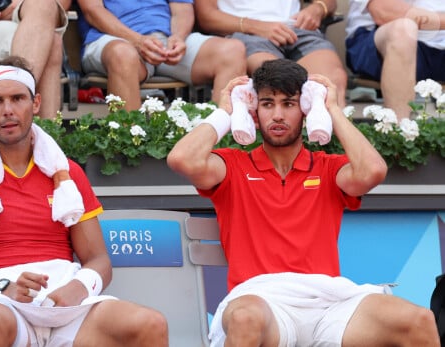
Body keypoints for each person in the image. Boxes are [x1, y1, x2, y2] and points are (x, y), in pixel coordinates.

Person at [167, 59, 439, 346]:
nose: (278, 115)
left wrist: (331, 109)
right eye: (268, 103)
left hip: (330, 303)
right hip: (262, 301)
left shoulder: (327, 167)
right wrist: (225, 111)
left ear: (306, 110)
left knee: (418, 320)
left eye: (289, 103)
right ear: (254, 112)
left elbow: (372, 172)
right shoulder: (233, 165)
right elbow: (182, 159)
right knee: (245, 318)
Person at [0, 56, 169, 347]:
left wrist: (79, 287)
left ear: (36, 103)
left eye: (17, 98)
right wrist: (3, 287)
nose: (8, 110)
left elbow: (99, 260)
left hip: (63, 299)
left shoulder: (68, 172)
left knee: (149, 324)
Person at [76, 0, 247, 111]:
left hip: (165, 38)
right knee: (123, 55)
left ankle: (218, 150)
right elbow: (93, 11)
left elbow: (182, 9)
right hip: (111, 39)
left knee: (233, 51)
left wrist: (178, 37)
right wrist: (137, 40)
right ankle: (128, 152)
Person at [193, 0, 348, 107]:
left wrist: (317, 9)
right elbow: (206, 17)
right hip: (245, 32)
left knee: (332, 81)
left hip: (297, 27)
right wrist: (257, 26)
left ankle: (330, 149)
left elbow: (330, 2)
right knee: (276, 79)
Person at [346, 0, 445, 121]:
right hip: (378, 40)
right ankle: (399, 131)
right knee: (403, 28)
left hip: (439, 45)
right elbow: (383, 11)